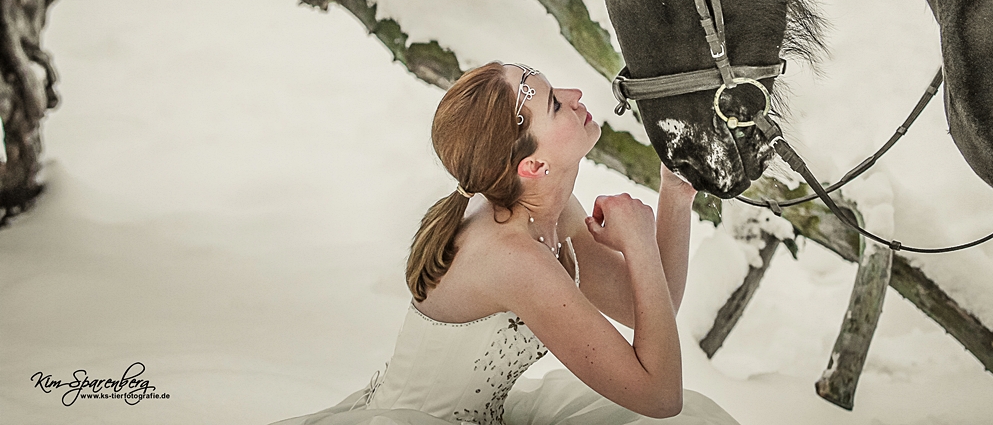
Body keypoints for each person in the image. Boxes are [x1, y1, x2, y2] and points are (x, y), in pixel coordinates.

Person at [269, 61, 739, 425]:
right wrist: (637, 244)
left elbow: (649, 311)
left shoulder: (546, 207)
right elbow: (659, 397)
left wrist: (674, 196)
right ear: (532, 167)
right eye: (555, 103)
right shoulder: (513, 257)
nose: (576, 96)